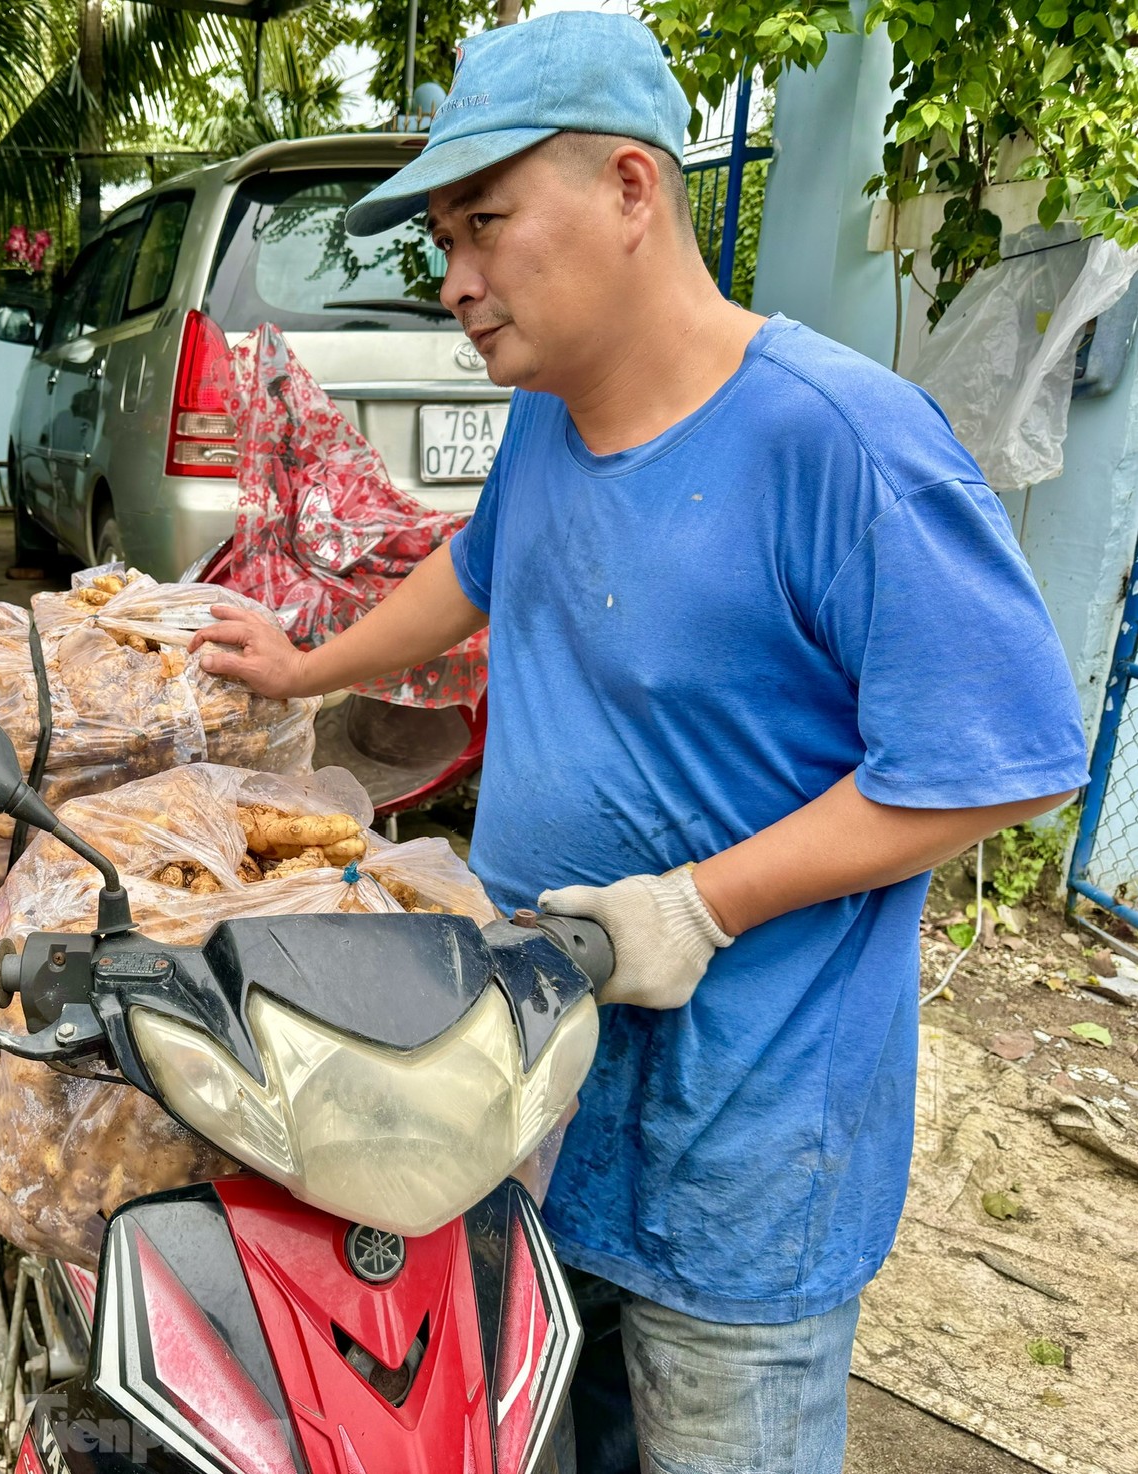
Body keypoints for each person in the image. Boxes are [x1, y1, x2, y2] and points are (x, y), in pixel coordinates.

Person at [191, 13, 1088, 1473]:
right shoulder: (549, 423)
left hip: (739, 1154)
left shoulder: (838, 442)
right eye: (441, 236)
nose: (455, 279)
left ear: (629, 188)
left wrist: (698, 902)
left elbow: (1007, 756)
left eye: (483, 221)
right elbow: (480, 567)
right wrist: (304, 663)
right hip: (535, 1109)